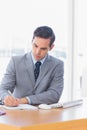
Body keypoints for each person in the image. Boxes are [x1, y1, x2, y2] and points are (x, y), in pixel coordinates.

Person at [0, 26, 64, 107]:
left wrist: (26, 100)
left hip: (44, 114)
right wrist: (6, 97)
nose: (37, 52)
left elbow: (55, 94)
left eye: (43, 49)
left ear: (51, 47)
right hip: (18, 112)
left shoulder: (57, 65)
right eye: (35, 46)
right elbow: (3, 88)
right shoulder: (16, 61)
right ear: (32, 41)